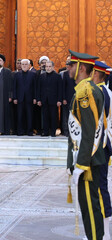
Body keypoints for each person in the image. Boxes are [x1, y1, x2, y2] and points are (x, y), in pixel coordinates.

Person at [67, 50, 104, 240]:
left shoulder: (85, 92)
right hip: (88, 158)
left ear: (81, 68)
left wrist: (81, 164)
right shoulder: (85, 89)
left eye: (71, 65)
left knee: (90, 206)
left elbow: (89, 131)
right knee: (90, 206)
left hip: (88, 161)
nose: (68, 68)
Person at [92, 61, 112, 239]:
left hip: (100, 145)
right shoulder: (106, 91)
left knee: (99, 187)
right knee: (100, 185)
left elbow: (97, 123)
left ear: (97, 74)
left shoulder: (100, 92)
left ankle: (104, 233)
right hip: (104, 144)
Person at [37, 61, 62, 137]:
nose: (48, 68)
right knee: (45, 117)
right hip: (44, 99)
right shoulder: (41, 76)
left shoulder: (57, 76)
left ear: (53, 67)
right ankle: (45, 132)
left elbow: (60, 89)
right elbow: (39, 89)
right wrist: (39, 99)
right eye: (47, 66)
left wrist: (59, 100)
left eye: (49, 66)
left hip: (54, 100)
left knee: (53, 116)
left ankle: (53, 132)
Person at [13, 59, 36, 136]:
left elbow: (35, 87)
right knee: (19, 116)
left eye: (26, 64)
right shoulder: (16, 74)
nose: (24, 66)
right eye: (23, 64)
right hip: (20, 99)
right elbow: (14, 87)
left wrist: (35, 98)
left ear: (29, 65)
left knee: (29, 116)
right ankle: (20, 131)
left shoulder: (33, 74)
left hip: (30, 99)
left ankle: (29, 131)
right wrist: (15, 98)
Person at [61, 56, 75, 137]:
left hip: (76, 97)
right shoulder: (65, 74)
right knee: (66, 116)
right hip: (67, 98)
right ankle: (66, 131)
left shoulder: (77, 73)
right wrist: (63, 98)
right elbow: (63, 87)